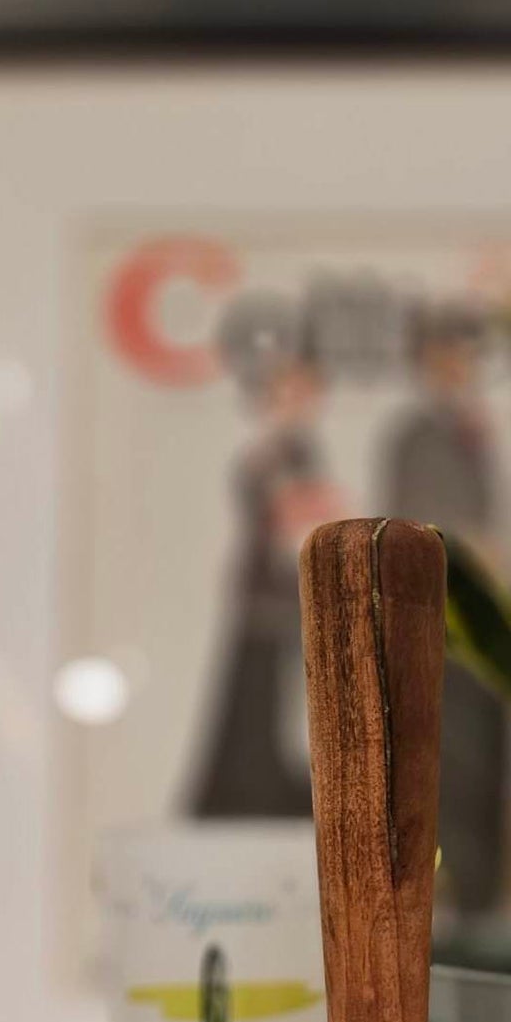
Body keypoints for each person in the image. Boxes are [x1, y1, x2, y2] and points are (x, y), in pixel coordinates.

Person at [381, 304, 510, 912]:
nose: (458, 366)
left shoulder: (478, 434)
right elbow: (410, 526)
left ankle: (488, 892)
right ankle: (456, 889)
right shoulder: (415, 437)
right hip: (442, 619)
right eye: (446, 354)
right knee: (450, 759)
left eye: (465, 354)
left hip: (486, 623)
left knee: (487, 758)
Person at [191, 347, 344, 819]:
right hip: (265, 594)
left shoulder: (303, 453)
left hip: (290, 595)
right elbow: (275, 517)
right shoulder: (265, 457)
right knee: (252, 689)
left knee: (282, 696)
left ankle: (271, 782)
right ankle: (242, 789)